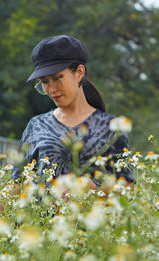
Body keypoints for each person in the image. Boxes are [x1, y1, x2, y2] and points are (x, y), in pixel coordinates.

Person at [12, 35, 135, 188]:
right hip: (41, 213)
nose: (51, 89)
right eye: (44, 82)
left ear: (80, 72)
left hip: (92, 211)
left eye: (57, 78)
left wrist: (92, 188)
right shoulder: (36, 125)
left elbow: (128, 188)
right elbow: (18, 185)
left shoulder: (111, 127)